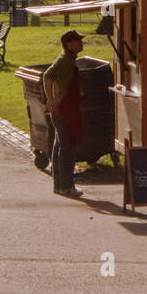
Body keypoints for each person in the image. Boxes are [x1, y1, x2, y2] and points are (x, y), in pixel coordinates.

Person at [42, 30, 85, 198]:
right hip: (64, 110)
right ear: (68, 44)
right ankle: (66, 186)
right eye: (77, 41)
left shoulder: (66, 59)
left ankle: (59, 185)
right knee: (67, 148)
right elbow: (48, 77)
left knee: (59, 146)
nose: (81, 43)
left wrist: (50, 100)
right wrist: (52, 100)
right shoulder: (66, 62)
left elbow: (48, 76)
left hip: (62, 109)